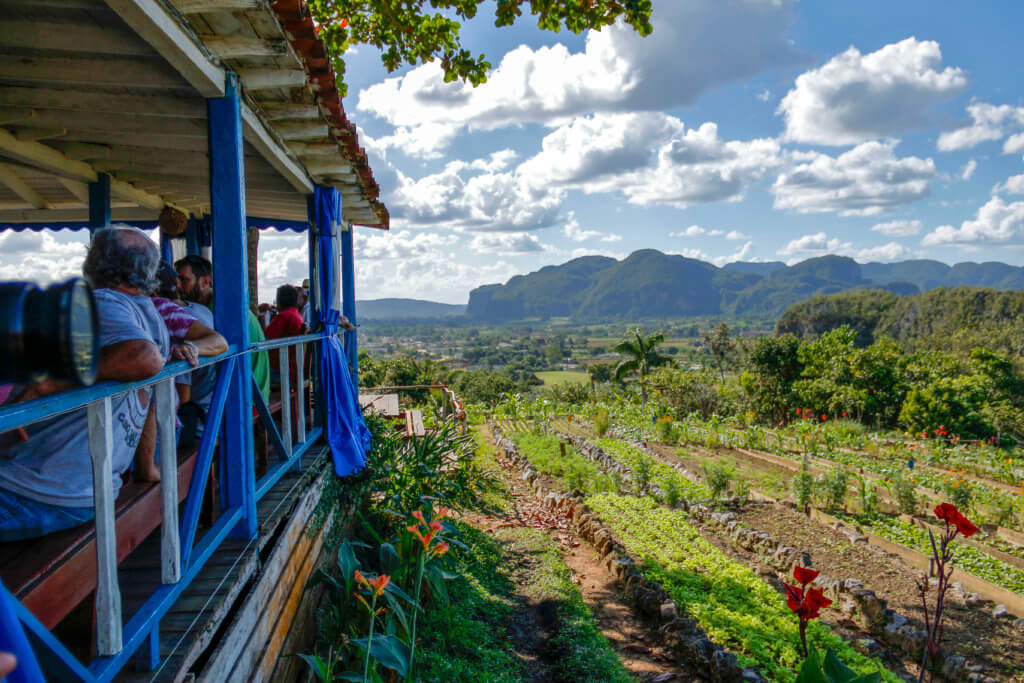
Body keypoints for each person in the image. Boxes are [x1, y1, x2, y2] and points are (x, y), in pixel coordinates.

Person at [0, 226, 193, 541]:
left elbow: (144, 359)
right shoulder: (149, 315)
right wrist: (146, 466)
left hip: (42, 490)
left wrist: (48, 385)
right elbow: (150, 389)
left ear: (94, 262)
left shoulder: (102, 303)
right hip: (91, 490)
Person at [175, 255, 270, 408]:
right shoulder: (220, 304)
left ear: (206, 281)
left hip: (246, 398)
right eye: (177, 280)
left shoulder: (220, 312)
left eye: (184, 280)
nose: (178, 286)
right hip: (251, 389)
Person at [265, 284, 308, 386]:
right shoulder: (295, 314)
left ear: (280, 300)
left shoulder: (284, 316)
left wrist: (262, 317)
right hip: (292, 371)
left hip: (281, 373)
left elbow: (263, 340)